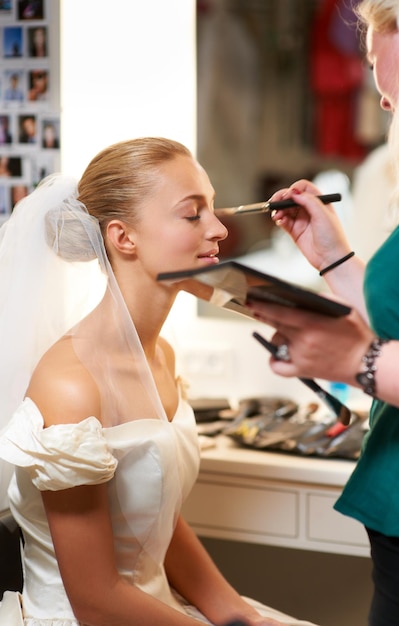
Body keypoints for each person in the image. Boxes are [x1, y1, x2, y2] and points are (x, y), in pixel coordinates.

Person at [0, 137, 317, 626]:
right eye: (192, 214)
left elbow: (158, 524)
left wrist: (239, 616)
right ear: (123, 237)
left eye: (213, 207)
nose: (217, 229)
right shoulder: (70, 387)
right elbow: (96, 599)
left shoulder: (162, 357)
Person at [247, 2, 399, 625]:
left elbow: (382, 347)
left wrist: (353, 358)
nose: (379, 96)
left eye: (376, 62)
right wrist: (333, 259)